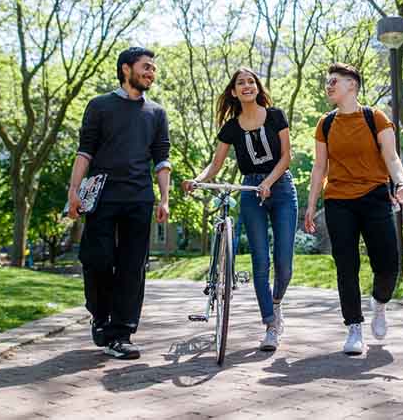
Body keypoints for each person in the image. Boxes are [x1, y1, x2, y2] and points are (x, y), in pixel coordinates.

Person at [304, 62, 403, 356]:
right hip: (338, 201)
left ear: (351, 86)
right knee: (346, 265)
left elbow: (393, 157)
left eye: (334, 81)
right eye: (327, 82)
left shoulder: (375, 118)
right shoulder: (325, 124)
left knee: (388, 265)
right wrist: (310, 205)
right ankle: (354, 327)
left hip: (374, 196)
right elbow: (319, 167)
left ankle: (379, 304)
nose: (328, 86)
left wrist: (401, 184)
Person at [183, 67, 298, 352]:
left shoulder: (276, 116)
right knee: (260, 261)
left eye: (251, 81)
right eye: (240, 83)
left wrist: (269, 182)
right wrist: (197, 180)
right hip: (250, 191)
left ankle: (276, 303)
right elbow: (216, 164)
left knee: (284, 263)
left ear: (257, 88)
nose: (246, 85)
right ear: (234, 92)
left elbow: (286, 157)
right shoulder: (231, 128)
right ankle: (271, 325)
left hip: (281, 187)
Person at [67, 47, 171, 360]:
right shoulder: (99, 106)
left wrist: (164, 198)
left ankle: (121, 333)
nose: (151, 73)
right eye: (146, 67)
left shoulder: (156, 113)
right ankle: (99, 315)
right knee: (96, 259)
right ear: (126, 69)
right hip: (101, 197)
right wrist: (73, 190)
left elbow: (162, 158)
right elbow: (85, 151)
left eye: (153, 69)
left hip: (139, 198)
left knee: (132, 267)